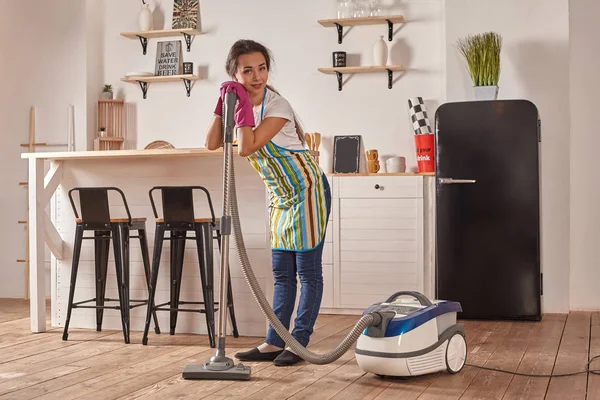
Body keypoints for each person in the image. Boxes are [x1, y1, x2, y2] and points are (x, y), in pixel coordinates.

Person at [205, 39, 331, 366]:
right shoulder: (237, 101)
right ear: (234, 73)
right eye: (248, 70)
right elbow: (211, 143)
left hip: (307, 192)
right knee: (281, 274)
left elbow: (246, 146)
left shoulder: (278, 106)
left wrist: (242, 106)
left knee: (307, 272)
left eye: (262, 68)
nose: (257, 76)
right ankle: (275, 341)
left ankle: (299, 341)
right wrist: (223, 105)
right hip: (280, 197)